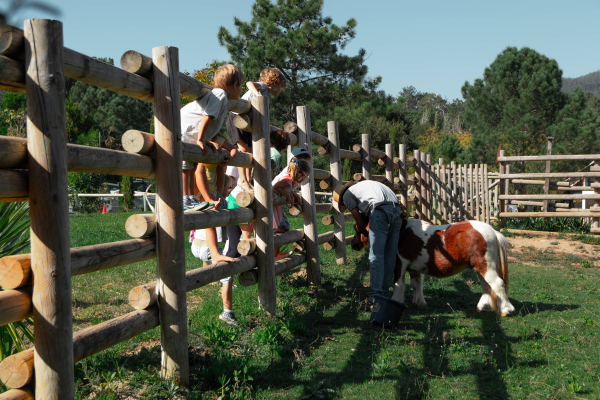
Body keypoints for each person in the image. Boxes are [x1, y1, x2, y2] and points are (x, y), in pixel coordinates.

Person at [333, 180, 402, 310]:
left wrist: (359, 231)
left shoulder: (347, 194)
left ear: (341, 200)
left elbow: (359, 222)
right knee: (390, 255)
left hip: (380, 211)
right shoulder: (366, 187)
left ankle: (375, 298)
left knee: (376, 255)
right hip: (396, 209)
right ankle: (384, 296)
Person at [181, 64, 242, 208]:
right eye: (241, 87)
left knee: (192, 164)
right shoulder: (219, 94)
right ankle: (185, 200)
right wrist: (201, 139)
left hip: (192, 133)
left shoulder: (223, 100)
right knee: (186, 166)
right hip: (186, 130)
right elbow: (207, 117)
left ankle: (190, 199)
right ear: (235, 85)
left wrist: (205, 139)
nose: (240, 90)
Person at [226, 68, 287, 193]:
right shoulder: (264, 88)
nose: (280, 90)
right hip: (236, 118)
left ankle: (248, 179)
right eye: (280, 86)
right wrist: (257, 95)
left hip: (247, 122)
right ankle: (242, 180)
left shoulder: (266, 96)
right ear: (274, 83)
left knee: (250, 151)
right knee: (242, 149)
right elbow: (249, 83)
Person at [273, 148, 312, 232]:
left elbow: (289, 189)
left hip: (277, 205)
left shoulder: (291, 177)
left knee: (284, 227)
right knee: (279, 228)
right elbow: (275, 187)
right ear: (300, 173)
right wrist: (287, 194)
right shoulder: (287, 178)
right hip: (272, 205)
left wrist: (296, 196)